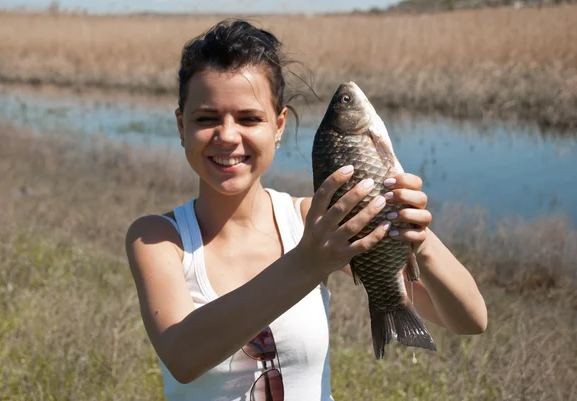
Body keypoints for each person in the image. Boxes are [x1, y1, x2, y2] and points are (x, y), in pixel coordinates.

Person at [125, 18, 487, 401]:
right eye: (206, 118)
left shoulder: (311, 221)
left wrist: (418, 238)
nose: (228, 136)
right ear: (181, 126)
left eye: (250, 118)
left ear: (279, 125)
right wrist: (309, 262)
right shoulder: (158, 238)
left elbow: (470, 319)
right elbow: (183, 356)